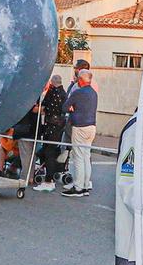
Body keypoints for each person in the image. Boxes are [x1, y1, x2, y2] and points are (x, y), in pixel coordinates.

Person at [62, 62, 99, 198]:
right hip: (91, 126)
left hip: (80, 126)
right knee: (86, 156)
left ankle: (78, 187)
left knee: (78, 157)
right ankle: (85, 185)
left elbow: (65, 107)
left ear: (81, 80)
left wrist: (72, 108)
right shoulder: (94, 93)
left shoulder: (77, 92)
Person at [37, 76, 68, 191]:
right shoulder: (64, 94)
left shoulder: (53, 93)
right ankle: (50, 176)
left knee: (48, 152)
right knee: (51, 151)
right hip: (58, 127)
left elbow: (44, 107)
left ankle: (49, 180)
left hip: (51, 126)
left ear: (52, 83)